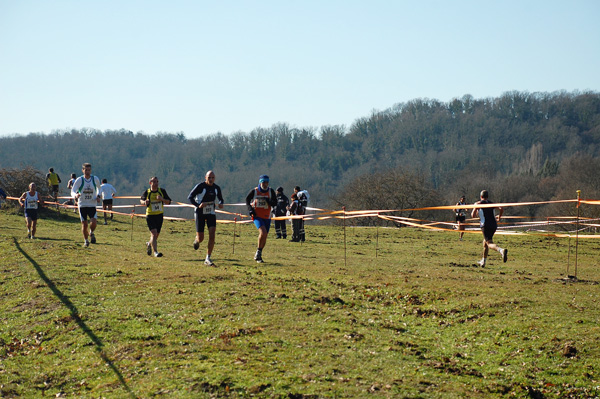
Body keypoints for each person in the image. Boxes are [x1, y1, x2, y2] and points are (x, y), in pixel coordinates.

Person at [188, 170, 224, 266]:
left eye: (212, 178)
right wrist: (198, 205)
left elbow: (221, 198)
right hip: (200, 213)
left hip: (211, 212)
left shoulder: (216, 188)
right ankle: (197, 240)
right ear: (205, 178)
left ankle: (208, 258)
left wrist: (221, 203)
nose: (211, 180)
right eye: (209, 178)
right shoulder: (200, 186)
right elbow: (190, 197)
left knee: (212, 234)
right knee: (201, 238)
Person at [471, 190, 508, 267]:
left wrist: (475, 209)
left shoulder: (478, 203)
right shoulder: (492, 203)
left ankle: (501, 250)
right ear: (487, 197)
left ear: (481, 197)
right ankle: (483, 261)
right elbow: (501, 209)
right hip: (494, 225)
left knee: (489, 243)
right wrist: (499, 217)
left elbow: (473, 215)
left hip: (485, 225)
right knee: (485, 243)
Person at [245, 174, 277, 263]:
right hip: (257, 216)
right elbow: (247, 200)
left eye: (267, 182)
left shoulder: (271, 191)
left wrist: (269, 201)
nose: (265, 184)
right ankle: (258, 252)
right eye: (263, 182)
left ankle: (259, 253)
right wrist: (250, 210)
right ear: (260, 182)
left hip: (267, 216)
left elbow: (275, 203)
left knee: (265, 235)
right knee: (262, 232)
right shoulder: (254, 191)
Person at [71, 163, 101, 247]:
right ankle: (86, 241)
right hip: (82, 205)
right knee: (84, 224)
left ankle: (91, 233)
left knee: (94, 223)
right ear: (82, 170)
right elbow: (73, 191)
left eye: (89, 170)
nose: (87, 172)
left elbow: (99, 188)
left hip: (92, 204)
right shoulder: (79, 180)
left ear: (91, 170)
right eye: (86, 170)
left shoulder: (95, 179)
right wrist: (75, 195)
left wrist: (98, 196)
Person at [140, 176, 172, 258]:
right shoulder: (147, 192)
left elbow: (169, 202)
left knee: (156, 235)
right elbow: (141, 200)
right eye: (154, 182)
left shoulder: (162, 191)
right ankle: (156, 252)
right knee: (154, 233)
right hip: (150, 215)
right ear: (150, 183)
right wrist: (144, 202)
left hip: (159, 215)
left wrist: (162, 199)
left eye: (157, 182)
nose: (156, 184)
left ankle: (149, 243)